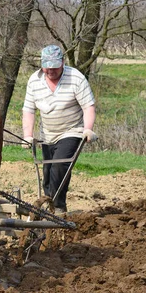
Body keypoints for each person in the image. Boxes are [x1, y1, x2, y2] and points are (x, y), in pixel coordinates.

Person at [22, 44, 97, 214]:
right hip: (47, 134)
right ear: (42, 65)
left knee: (59, 166)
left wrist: (88, 129)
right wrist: (27, 135)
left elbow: (88, 107)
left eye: (55, 67)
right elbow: (28, 110)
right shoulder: (34, 81)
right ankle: (50, 206)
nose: (51, 71)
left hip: (72, 130)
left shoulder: (76, 78)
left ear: (62, 62)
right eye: (47, 67)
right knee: (48, 174)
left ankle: (58, 208)